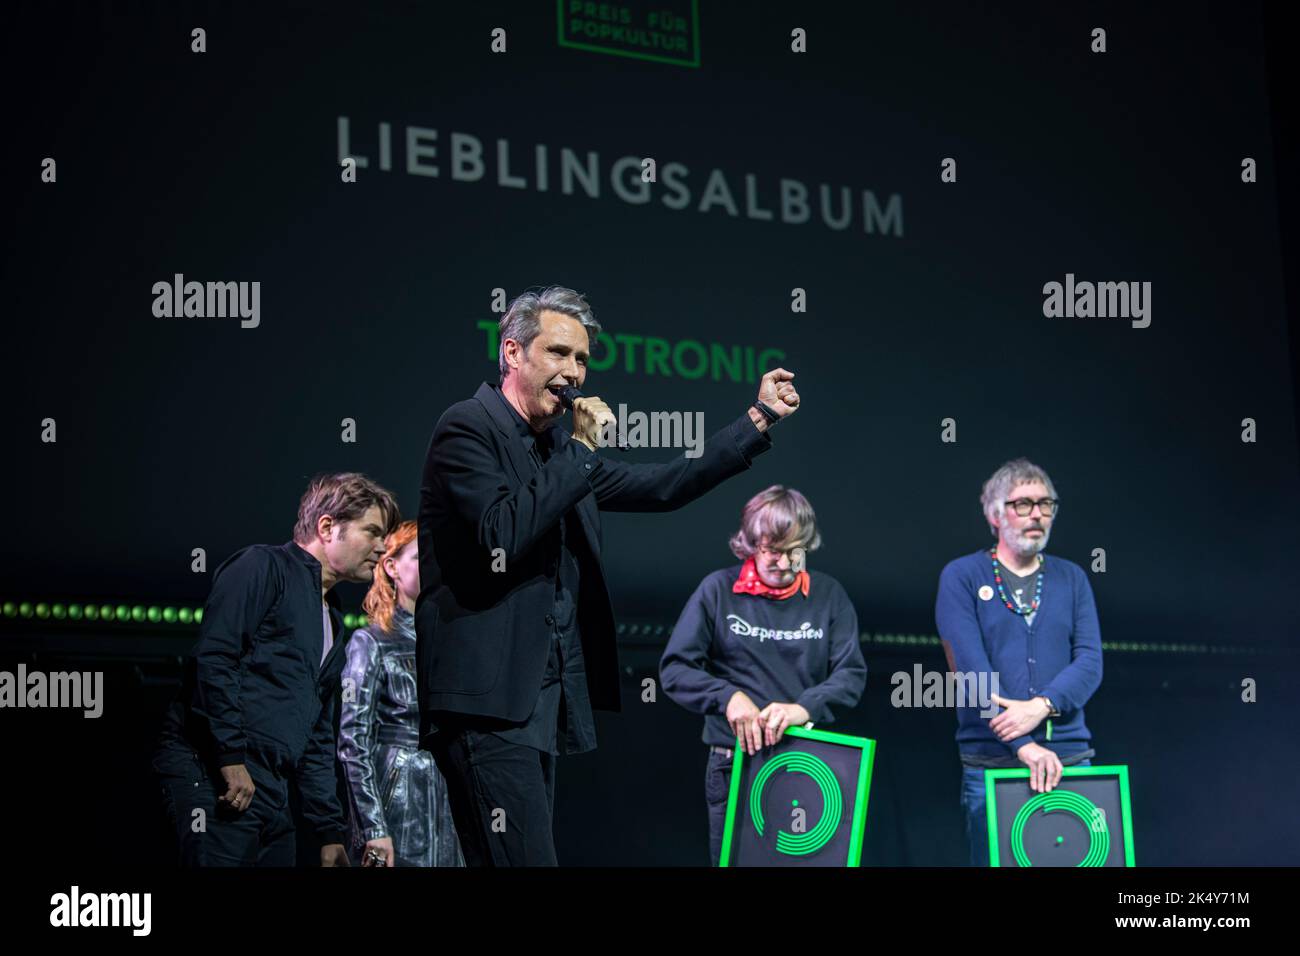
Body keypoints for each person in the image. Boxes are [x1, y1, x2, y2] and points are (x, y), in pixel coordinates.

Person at [416, 285, 800, 866]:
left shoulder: (558, 453)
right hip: (484, 705)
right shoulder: (468, 428)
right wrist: (581, 449)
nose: (574, 372)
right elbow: (501, 533)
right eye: (559, 353)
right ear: (512, 352)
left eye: (583, 359)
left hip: (534, 707)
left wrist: (758, 417)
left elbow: (665, 485)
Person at [154, 472, 399, 866]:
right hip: (217, 774)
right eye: (372, 532)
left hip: (272, 789)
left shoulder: (333, 620)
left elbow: (318, 732)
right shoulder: (262, 566)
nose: (382, 547)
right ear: (327, 527)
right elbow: (215, 659)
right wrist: (229, 758)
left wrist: (328, 830)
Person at [661, 485, 867, 866]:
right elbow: (675, 669)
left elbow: (851, 675)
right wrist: (728, 698)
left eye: (796, 551)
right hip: (734, 762)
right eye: (774, 551)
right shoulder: (718, 590)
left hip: (809, 764)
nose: (786, 563)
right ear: (751, 543)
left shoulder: (829, 595)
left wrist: (802, 709)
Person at [935, 458, 1103, 866]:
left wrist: (1041, 707)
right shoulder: (962, 576)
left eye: (1046, 504)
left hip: (1069, 758)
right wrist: (1023, 745)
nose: (1037, 515)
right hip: (991, 764)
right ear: (995, 513)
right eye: (1023, 504)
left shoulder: (1072, 578)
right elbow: (971, 673)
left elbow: (1090, 662)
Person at [339, 520, 463, 867]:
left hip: (449, 796)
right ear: (391, 566)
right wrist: (373, 826)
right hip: (398, 794)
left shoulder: (452, 644)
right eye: (421, 556)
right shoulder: (371, 642)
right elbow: (352, 740)